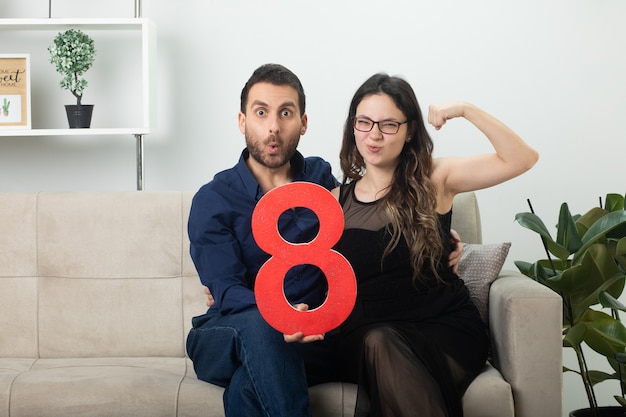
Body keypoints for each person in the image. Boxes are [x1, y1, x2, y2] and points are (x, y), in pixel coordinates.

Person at [186, 63, 464, 417]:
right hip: (229, 331)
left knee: (249, 386)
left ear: (303, 123)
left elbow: (369, 226)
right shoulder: (214, 199)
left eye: (285, 113)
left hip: (311, 337)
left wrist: (440, 239)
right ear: (242, 121)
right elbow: (225, 290)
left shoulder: (322, 181)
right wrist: (284, 316)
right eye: (261, 112)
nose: (273, 126)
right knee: (264, 323)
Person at [331, 73, 539, 417]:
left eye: (388, 124)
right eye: (364, 122)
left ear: (410, 129)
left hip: (442, 326)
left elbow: (522, 158)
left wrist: (465, 109)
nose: (374, 135)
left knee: (386, 349)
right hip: (365, 335)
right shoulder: (335, 201)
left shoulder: (435, 178)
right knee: (379, 341)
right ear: (353, 126)